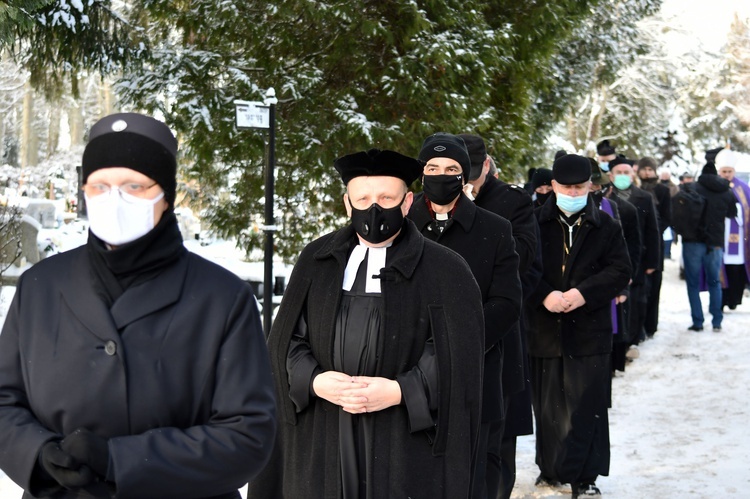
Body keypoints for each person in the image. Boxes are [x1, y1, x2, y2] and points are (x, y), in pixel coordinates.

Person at [0, 113, 277, 498]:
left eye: (134, 185)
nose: (114, 199)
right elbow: (4, 400)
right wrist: (37, 454)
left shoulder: (223, 298)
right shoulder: (40, 285)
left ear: (165, 194)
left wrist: (122, 460)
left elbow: (248, 434)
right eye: (100, 186)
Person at [247, 148, 485, 499]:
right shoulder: (317, 260)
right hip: (324, 425)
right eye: (364, 198)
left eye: (386, 197)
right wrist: (314, 381)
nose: (374, 208)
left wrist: (401, 390)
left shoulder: (446, 268)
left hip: (403, 434)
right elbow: (286, 341)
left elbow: (457, 354)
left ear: (407, 203)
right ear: (348, 204)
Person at [407, 132, 521, 499]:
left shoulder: (495, 229)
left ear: (466, 174)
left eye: (452, 168)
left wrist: (456, 346)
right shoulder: (398, 225)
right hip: (407, 372)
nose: (442, 175)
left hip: (475, 370)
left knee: (472, 475)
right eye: (433, 167)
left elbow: (506, 302)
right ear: (421, 173)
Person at [527, 154, 630, 498]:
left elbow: (619, 270)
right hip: (544, 329)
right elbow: (519, 268)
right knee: (548, 406)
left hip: (589, 330)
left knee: (588, 405)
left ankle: (585, 475)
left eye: (579, 186)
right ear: (553, 186)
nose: (573, 192)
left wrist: (583, 293)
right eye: (566, 186)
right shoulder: (533, 224)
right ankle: (550, 468)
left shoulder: (606, 225)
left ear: (590, 186)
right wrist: (544, 295)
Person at [460, 133, 537, 499]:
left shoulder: (512, 202)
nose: (464, 181)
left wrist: (475, 217)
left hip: (499, 332)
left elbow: (523, 260)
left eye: (472, 173)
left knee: (498, 439)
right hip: (447, 336)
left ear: (487, 165)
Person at [608, 157, 660, 345]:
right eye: (618, 173)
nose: (622, 176)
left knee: (638, 301)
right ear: (611, 176)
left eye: (626, 173)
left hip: (638, 256)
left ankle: (634, 337)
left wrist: (652, 261)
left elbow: (652, 231)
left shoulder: (644, 197)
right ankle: (621, 340)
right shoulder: (606, 199)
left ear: (632, 175)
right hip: (613, 260)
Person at [683, 161, 737, 331]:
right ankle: (717, 321)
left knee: (692, 283)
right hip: (715, 242)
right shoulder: (726, 191)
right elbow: (732, 213)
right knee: (715, 282)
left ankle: (698, 321)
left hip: (693, 241)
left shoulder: (692, 188)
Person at [636, 157, 672, 338]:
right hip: (637, 243)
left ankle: (651, 325)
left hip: (655, 242)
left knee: (653, 287)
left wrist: (653, 228)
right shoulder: (635, 189)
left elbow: (667, 216)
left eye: (650, 169)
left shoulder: (663, 190)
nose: (647, 173)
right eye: (645, 169)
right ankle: (638, 326)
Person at [715, 149, 750, 310]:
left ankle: (734, 299)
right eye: (724, 171)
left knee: (736, 269)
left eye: (729, 171)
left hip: (739, 235)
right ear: (719, 171)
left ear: (734, 171)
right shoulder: (714, 187)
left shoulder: (743, 188)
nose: (727, 174)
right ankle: (722, 300)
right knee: (721, 269)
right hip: (721, 235)